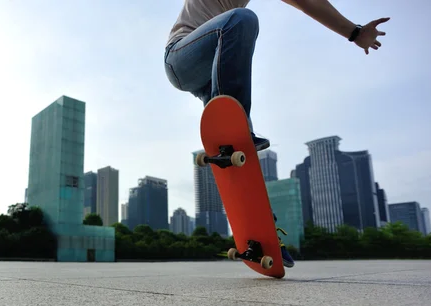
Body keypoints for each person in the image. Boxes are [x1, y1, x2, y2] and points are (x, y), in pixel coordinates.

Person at [163, 0, 389, 267]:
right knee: (242, 20)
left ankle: (261, 238)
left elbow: (308, 3)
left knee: (241, 157)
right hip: (181, 55)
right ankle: (231, 123)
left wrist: (354, 32)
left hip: (213, 67)